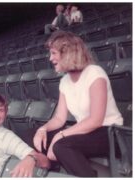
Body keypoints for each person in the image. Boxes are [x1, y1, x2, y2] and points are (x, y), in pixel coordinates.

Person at [33, 31, 123, 177]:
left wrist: (61, 135)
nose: (50, 58)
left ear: (68, 52)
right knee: (37, 138)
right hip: (85, 131)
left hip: (109, 132)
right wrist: (42, 130)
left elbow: (96, 120)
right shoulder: (64, 81)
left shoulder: (94, 73)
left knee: (61, 146)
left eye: (54, 53)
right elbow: (59, 119)